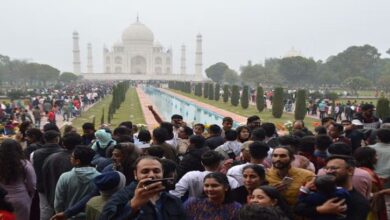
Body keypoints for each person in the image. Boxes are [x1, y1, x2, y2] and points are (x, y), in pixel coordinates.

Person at [100, 156, 186, 219]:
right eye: (145, 171)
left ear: (162, 173)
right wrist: (133, 205)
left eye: (156, 171)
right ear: (135, 174)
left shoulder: (173, 200)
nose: (152, 175)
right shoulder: (121, 197)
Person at [295, 155, 370, 220]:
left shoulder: (359, 201)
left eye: (334, 168)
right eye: (327, 168)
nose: (329, 171)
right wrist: (320, 209)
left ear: (350, 170)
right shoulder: (319, 190)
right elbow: (298, 209)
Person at [54, 146, 100, 219]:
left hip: (68, 216)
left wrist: (60, 214)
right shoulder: (100, 177)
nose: (70, 158)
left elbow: (59, 201)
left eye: (72, 156)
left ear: (77, 161)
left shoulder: (65, 177)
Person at [170, 151, 239, 199]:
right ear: (220, 164)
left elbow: (176, 193)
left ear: (202, 163)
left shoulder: (191, 175)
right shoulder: (230, 180)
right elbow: (236, 197)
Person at [0, 139, 36, 220]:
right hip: (20, 198)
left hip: (2, 199)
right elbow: (32, 184)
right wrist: (30, 194)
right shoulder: (25, 164)